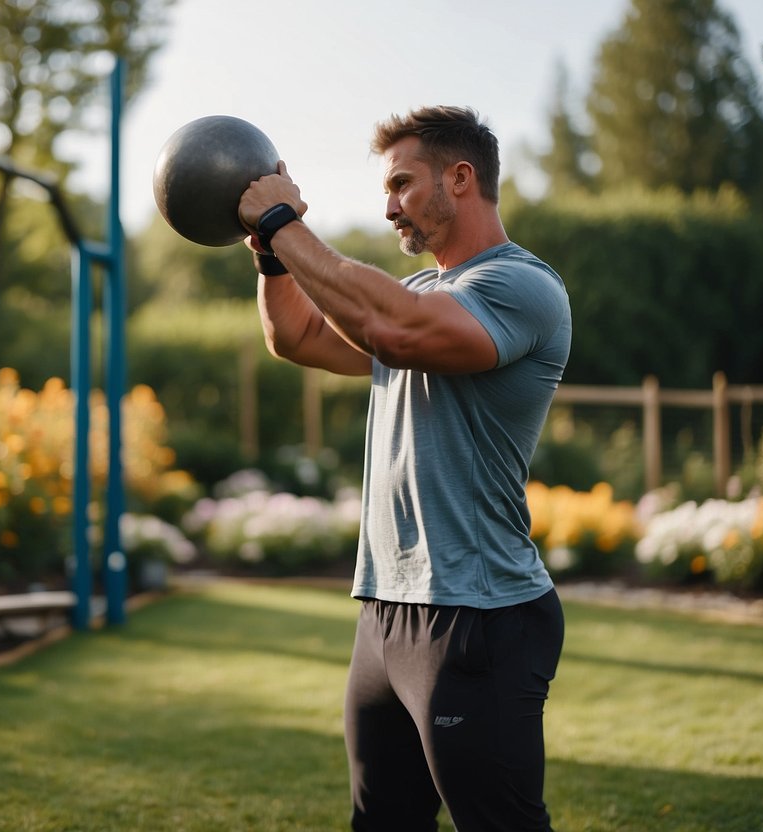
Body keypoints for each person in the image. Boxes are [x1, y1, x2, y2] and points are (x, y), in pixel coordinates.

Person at [237, 105, 572, 831]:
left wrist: (282, 225)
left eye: (401, 185)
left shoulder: (520, 288)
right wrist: (270, 258)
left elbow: (391, 329)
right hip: (385, 610)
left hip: (476, 612)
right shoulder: (419, 291)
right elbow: (294, 336)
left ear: (460, 178)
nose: (387, 207)